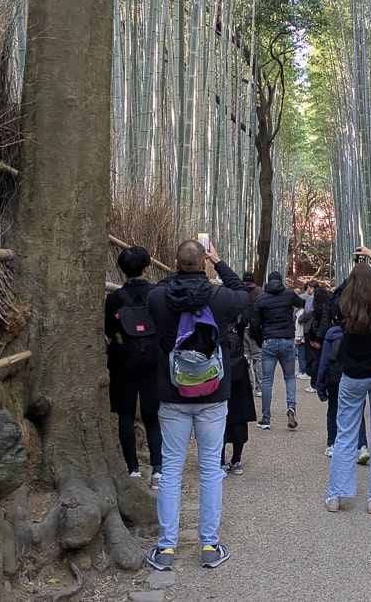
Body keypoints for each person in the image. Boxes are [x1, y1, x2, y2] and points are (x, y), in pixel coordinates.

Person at [144, 240, 250, 571]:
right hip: (213, 394)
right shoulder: (220, 298)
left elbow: (160, 289)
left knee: (171, 469)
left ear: (175, 263)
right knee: (210, 470)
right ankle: (209, 544)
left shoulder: (158, 296)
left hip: (173, 394)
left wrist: (178, 272)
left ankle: (166, 549)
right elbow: (245, 294)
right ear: (204, 262)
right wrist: (219, 264)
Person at [325, 245, 371, 514]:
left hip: (352, 376)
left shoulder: (341, 306)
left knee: (345, 435)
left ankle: (336, 496)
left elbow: (336, 293)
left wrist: (353, 272)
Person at [104, 246, 163, 488]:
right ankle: (158, 470)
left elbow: (109, 330)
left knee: (126, 415)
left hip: (123, 361)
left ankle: (132, 470)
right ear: (147, 268)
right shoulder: (156, 295)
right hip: (152, 360)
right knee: (151, 416)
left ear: (122, 271)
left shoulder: (114, 299)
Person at [250, 271, 305, 429]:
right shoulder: (289, 295)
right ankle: (291, 408)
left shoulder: (261, 298)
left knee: (267, 381)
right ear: (281, 281)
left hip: (269, 341)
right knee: (290, 377)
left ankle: (266, 419)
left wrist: (261, 340)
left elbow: (254, 323)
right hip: (287, 340)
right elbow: (302, 303)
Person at [316, 322, 370, 463]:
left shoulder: (332, 334)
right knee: (358, 412)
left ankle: (332, 444)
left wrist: (320, 385)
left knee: (333, 410)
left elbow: (324, 362)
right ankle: (361, 446)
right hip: (358, 376)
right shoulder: (362, 330)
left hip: (335, 377)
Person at [220, 300, 256, 476]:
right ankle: (236, 459)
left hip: (219, 379)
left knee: (218, 420)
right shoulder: (239, 327)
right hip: (239, 377)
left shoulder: (214, 328)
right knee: (239, 418)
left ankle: (218, 461)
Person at [304, 284, 332, 393]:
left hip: (319, 339)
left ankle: (316, 383)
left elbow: (322, 325)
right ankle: (321, 382)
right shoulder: (326, 307)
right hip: (320, 337)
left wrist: (317, 339)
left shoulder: (321, 309)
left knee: (317, 361)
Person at [241, 272, 264, 397]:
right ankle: (260, 387)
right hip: (256, 329)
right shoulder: (260, 292)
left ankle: (248, 384)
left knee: (245, 357)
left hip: (241, 327)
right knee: (258, 358)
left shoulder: (238, 291)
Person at [294, 281, 316, 380]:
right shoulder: (317, 298)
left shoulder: (311, 299)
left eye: (309, 288)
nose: (308, 290)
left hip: (307, 327)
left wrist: (301, 318)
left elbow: (307, 312)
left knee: (307, 351)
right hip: (313, 326)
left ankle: (307, 371)